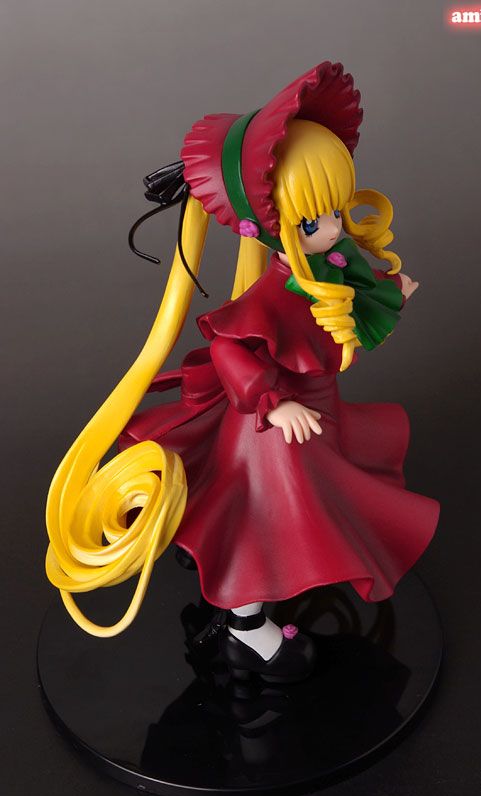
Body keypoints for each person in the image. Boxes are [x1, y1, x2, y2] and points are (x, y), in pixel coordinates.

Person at [46, 61, 439, 682]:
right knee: (264, 525)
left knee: (305, 513)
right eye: (311, 222)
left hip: (316, 417)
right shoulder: (274, 294)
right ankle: (245, 628)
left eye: (334, 212)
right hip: (274, 436)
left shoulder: (332, 260)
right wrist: (272, 402)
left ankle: (236, 578)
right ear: (275, 228)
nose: (332, 230)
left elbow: (354, 307)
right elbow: (231, 350)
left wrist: (392, 294)